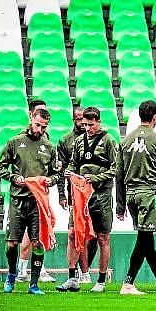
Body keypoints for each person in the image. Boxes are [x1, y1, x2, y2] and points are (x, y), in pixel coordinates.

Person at [0, 108, 60, 294]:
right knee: (12, 243)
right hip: (18, 200)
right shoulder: (15, 142)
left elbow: (56, 174)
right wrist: (13, 178)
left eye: (44, 127)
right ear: (31, 118)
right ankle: (11, 275)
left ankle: (34, 284)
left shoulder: (49, 147)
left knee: (38, 243)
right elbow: (0, 168)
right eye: (38, 125)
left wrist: (51, 180)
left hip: (38, 203)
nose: (40, 130)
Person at [116, 101, 156, 295]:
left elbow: (118, 175)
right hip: (149, 194)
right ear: (155, 118)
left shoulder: (125, 140)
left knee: (145, 238)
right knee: (144, 239)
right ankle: (128, 283)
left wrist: (120, 205)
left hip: (131, 194)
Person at [62, 107, 117, 293]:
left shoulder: (109, 140)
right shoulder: (79, 141)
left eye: (91, 125)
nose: (87, 128)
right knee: (73, 232)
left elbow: (116, 168)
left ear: (98, 122)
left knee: (103, 237)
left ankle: (101, 281)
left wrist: (96, 178)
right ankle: (72, 277)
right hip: (81, 196)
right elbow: (73, 163)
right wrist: (70, 172)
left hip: (101, 195)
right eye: (84, 124)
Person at [16, 99, 56, 283]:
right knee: (30, 233)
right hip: (24, 194)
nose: (41, 125)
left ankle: (28, 270)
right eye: (39, 114)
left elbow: (52, 169)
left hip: (41, 193)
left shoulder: (46, 140)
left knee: (38, 230)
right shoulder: (19, 140)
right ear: (31, 115)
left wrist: (50, 180)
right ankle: (25, 270)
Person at [55, 107, 94, 285]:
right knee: (75, 232)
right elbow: (62, 170)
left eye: (84, 119)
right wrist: (62, 195)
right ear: (74, 120)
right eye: (78, 119)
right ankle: (77, 272)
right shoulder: (65, 141)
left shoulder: (96, 139)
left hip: (92, 192)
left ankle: (85, 270)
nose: (81, 123)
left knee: (90, 235)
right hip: (75, 193)